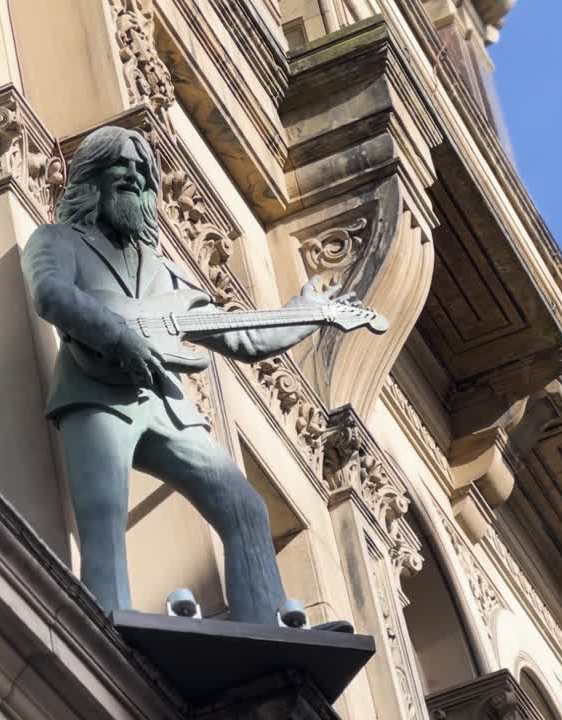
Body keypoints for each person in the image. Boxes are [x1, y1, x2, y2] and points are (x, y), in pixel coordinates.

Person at [21, 125, 356, 628]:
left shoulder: (171, 275)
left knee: (244, 508)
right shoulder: (58, 241)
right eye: (121, 166)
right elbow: (51, 295)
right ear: (92, 178)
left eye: (142, 170)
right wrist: (117, 337)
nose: (133, 177)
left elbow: (240, 338)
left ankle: (266, 626)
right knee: (104, 516)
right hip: (95, 395)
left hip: (165, 401)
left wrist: (305, 313)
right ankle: (109, 629)